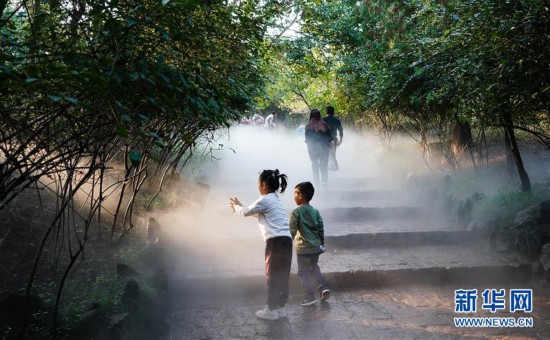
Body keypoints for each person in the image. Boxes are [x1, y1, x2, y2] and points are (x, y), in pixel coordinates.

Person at [228, 169, 292, 320]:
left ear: (263, 184)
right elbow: (257, 212)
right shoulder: (275, 199)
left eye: (258, 184)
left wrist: (236, 207)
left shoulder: (264, 199)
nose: (258, 187)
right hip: (286, 242)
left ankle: (271, 310)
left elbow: (246, 212)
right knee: (282, 275)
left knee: (272, 275)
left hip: (274, 243)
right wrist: (242, 206)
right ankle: (281, 307)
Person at [289, 181, 330, 306]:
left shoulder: (296, 212)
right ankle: (323, 288)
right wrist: (321, 243)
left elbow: (291, 231)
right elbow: (320, 228)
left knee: (303, 273)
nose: (294, 196)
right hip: (315, 247)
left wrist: (285, 243)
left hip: (303, 249)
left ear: (301, 195)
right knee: (314, 268)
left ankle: (309, 296)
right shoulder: (315, 212)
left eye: (295, 193)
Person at [305, 109, 333, 187]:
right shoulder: (325, 125)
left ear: (311, 116)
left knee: (315, 165)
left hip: (312, 149)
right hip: (324, 148)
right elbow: (331, 137)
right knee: (323, 166)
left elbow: (307, 140)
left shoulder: (308, 127)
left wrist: (309, 149)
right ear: (319, 116)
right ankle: (325, 183)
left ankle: (316, 184)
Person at [323, 106, 344, 171]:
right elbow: (341, 130)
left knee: (326, 154)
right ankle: (333, 166)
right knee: (333, 153)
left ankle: (328, 167)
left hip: (325, 140)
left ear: (326, 112)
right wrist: (340, 140)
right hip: (334, 139)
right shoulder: (336, 120)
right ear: (333, 112)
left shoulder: (323, 120)